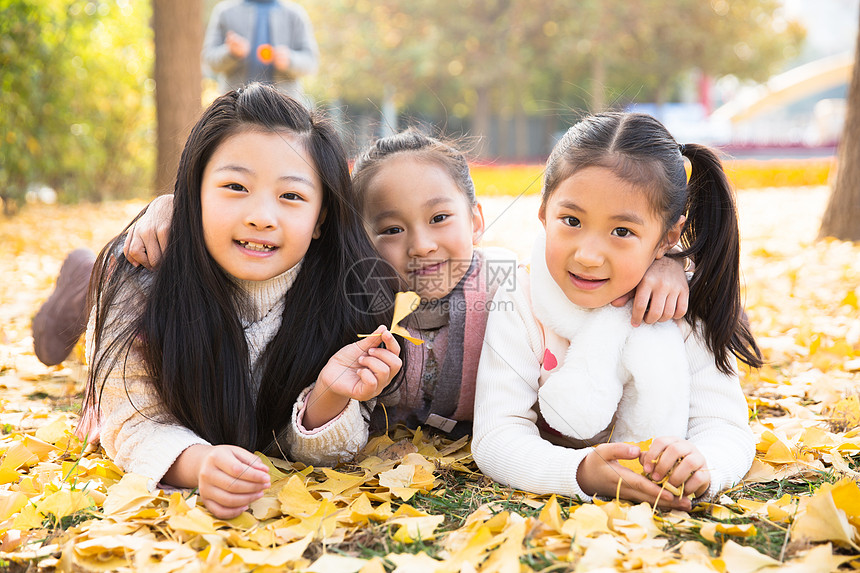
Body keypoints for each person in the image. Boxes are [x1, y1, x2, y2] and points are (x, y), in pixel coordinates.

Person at [124, 128, 691, 442]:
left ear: (474, 220)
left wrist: (670, 266)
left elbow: (587, 265)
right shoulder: (352, 294)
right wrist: (169, 206)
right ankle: (82, 279)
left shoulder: (498, 280)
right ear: (361, 237)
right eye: (391, 229)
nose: (420, 244)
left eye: (440, 219)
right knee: (111, 277)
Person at [76, 84, 404, 519]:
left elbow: (298, 446)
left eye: (291, 196)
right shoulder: (140, 281)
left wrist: (328, 395)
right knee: (80, 313)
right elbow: (131, 419)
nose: (262, 216)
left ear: (321, 218)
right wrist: (197, 464)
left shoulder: (341, 294)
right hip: (112, 295)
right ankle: (77, 278)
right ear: (193, 192)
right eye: (235, 186)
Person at [471, 112, 762, 510]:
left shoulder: (682, 307)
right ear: (543, 214)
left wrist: (703, 464)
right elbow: (496, 435)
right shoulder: (520, 301)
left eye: (622, 231)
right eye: (571, 220)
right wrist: (579, 472)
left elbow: (725, 426)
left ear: (668, 238)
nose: (588, 256)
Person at [202, 0, 319, 100]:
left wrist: (290, 60)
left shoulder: (295, 14)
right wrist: (231, 53)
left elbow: (311, 62)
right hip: (235, 106)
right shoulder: (225, 12)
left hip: (284, 109)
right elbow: (209, 60)